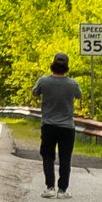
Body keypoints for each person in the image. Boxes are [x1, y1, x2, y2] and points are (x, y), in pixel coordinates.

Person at [35, 53, 78, 191]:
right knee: (65, 158)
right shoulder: (73, 84)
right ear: (66, 66)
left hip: (48, 125)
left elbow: (35, 93)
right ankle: (62, 189)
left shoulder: (43, 81)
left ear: (53, 64)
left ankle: (50, 187)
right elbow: (79, 95)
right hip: (67, 127)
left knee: (48, 156)